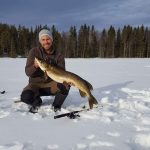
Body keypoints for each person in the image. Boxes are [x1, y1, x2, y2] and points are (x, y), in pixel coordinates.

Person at [20, 29, 70, 113]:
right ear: (40, 41)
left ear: (51, 40)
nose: (46, 42)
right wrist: (35, 66)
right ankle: (37, 101)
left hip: (50, 85)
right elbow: (27, 72)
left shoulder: (59, 55)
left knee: (65, 86)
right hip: (35, 85)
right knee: (25, 97)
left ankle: (56, 106)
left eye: (48, 39)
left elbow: (62, 73)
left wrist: (67, 81)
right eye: (43, 40)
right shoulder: (34, 52)